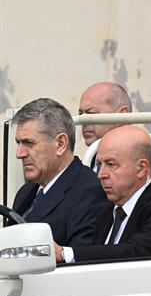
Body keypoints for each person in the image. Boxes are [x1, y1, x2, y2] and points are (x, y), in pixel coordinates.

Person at [55, 125, 151, 263]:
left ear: (141, 168)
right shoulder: (107, 212)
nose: (100, 174)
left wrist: (65, 253)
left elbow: (134, 253)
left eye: (111, 164)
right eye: (99, 164)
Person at [11, 98, 108, 246]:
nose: (20, 153)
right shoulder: (26, 191)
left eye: (29, 143)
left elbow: (81, 262)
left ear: (61, 144)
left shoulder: (90, 192)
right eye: (19, 143)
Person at [79, 82, 151, 188]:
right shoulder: (86, 163)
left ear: (122, 115)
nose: (83, 121)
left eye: (91, 113)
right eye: (81, 114)